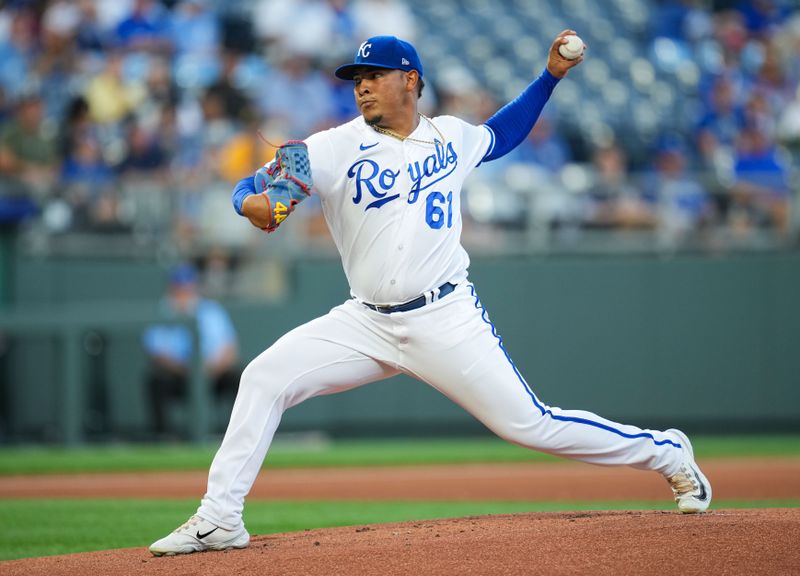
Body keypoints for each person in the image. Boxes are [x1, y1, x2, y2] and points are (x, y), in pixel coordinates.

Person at [149, 32, 712, 556]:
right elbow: (261, 191)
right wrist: (247, 195)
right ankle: (220, 516)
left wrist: (550, 77)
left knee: (531, 425)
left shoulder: (451, 135)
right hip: (364, 322)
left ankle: (666, 452)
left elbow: (503, 132)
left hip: (445, 316)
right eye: (356, 78)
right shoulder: (328, 147)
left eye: (374, 73)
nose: (362, 85)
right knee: (263, 377)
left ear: (411, 79)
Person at [142, 263, 241, 438]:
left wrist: (209, 369)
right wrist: (189, 370)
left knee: (238, 375)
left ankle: (238, 434)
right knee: (156, 380)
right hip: (179, 376)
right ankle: (164, 438)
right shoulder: (163, 311)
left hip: (213, 374)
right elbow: (157, 353)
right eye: (179, 288)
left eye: (188, 288)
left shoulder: (212, 310)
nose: (184, 293)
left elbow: (229, 349)